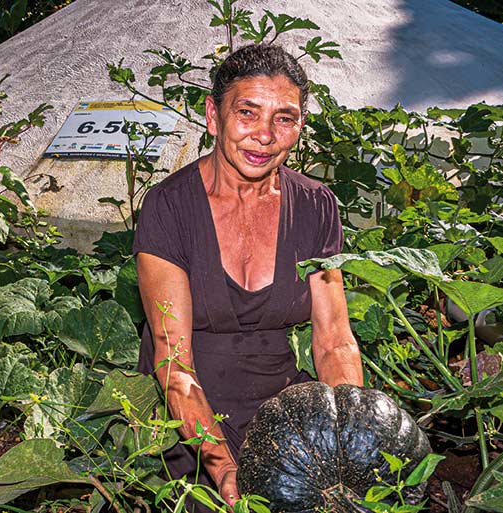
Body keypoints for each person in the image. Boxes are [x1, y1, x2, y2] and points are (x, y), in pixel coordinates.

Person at [133, 44, 364, 511]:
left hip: (280, 408)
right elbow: (173, 364)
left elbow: (334, 340)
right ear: (214, 117)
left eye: (284, 118)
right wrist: (221, 465)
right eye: (247, 113)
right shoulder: (169, 207)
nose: (264, 135)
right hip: (188, 411)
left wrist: (347, 439)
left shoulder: (317, 206)